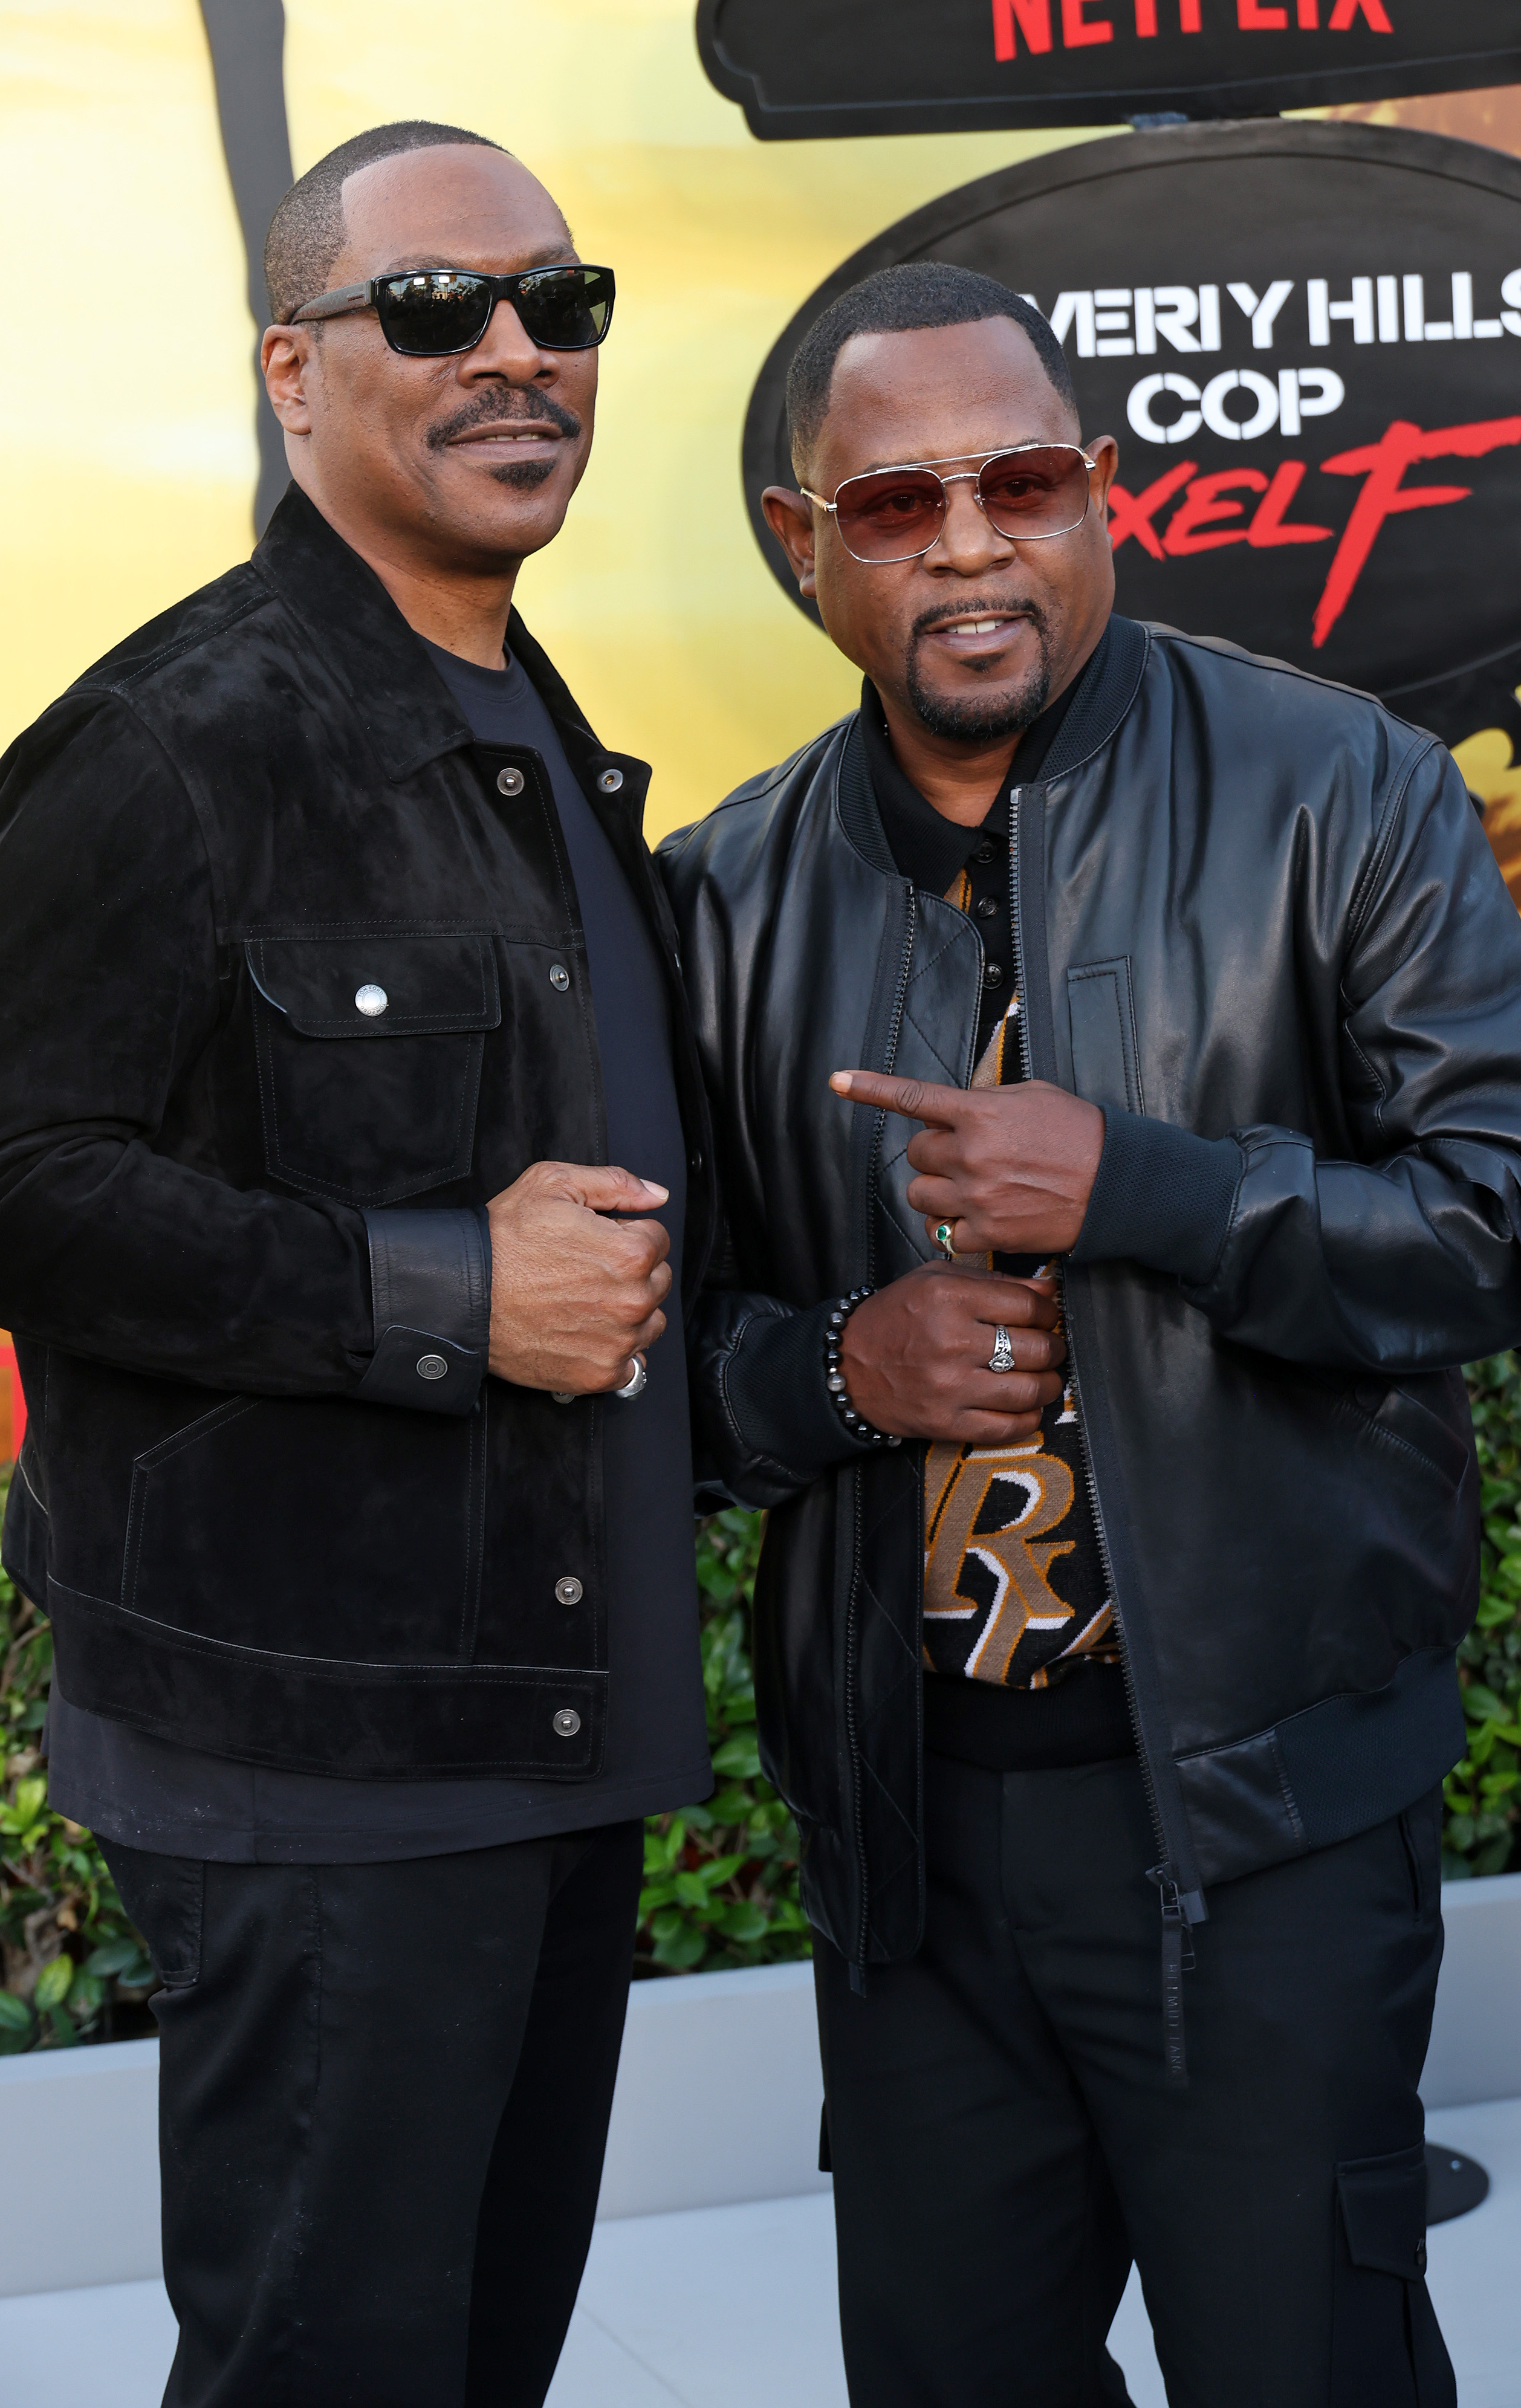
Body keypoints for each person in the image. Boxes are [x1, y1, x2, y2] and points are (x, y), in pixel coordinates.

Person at [658, 261, 1521, 2408]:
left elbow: (1493, 1228)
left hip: (1268, 1827)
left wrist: (1141, 1187)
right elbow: (656, 1359)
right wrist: (839, 1372)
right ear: (804, 544)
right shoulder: (723, 897)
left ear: (1101, 497)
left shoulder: (1347, 789)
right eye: (894, 503)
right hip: (914, 1848)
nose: (969, 540)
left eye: (1022, 479)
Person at [0, 121, 715, 2407]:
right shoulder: (186, 737)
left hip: (536, 1747)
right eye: (438, 310)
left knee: (472, 2360)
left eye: (561, 309)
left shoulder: (521, 718)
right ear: (295, 368)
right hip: (328, 1777)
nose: (519, 358)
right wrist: (439, 1288)